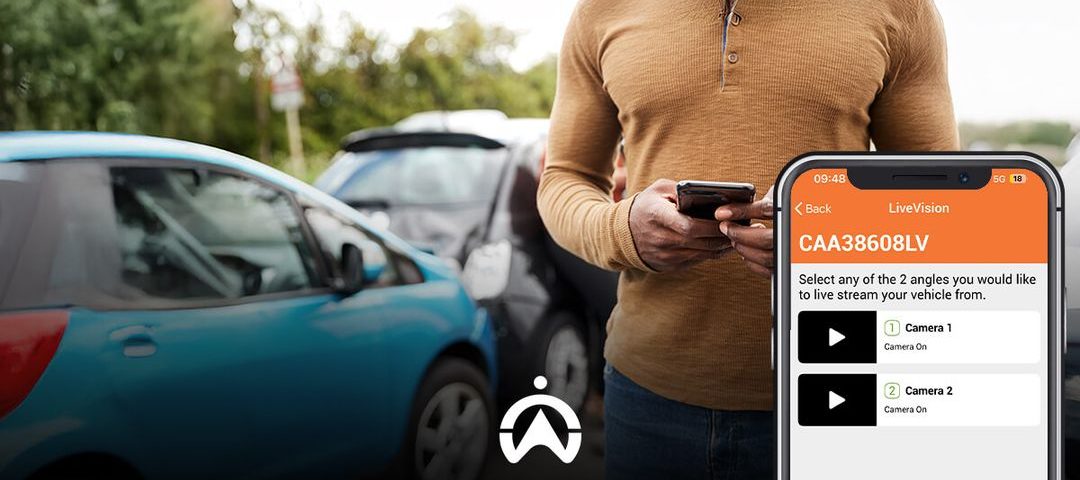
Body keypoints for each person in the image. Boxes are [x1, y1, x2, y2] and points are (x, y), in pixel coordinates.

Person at [536, 0, 958, 478]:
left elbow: (941, 195)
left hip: (832, 387)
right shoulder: (601, 10)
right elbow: (564, 179)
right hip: (646, 395)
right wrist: (622, 229)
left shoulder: (902, 9)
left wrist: (833, 238)